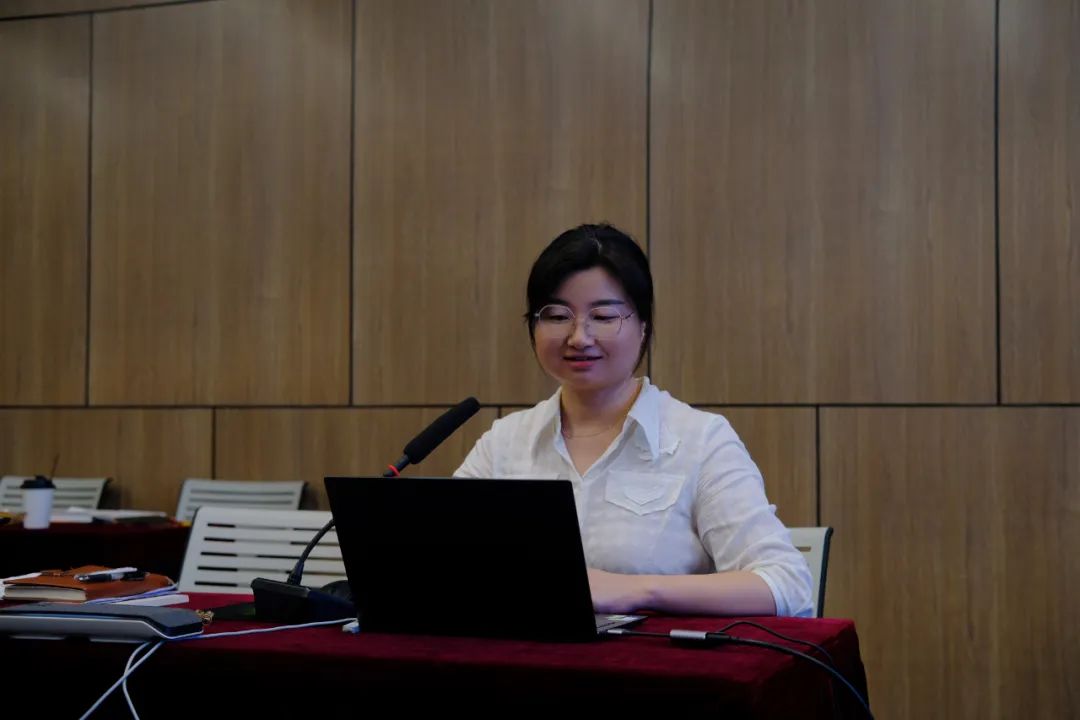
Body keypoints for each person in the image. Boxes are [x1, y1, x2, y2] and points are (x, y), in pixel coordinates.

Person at [455, 223, 813, 617]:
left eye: (603, 316)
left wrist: (637, 591)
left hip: (651, 657)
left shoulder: (700, 441)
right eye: (556, 315)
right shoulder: (504, 443)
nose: (579, 337)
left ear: (643, 326)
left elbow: (787, 586)